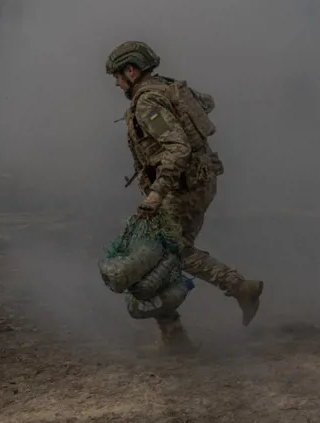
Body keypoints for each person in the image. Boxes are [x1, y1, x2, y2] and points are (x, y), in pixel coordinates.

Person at [105, 40, 264, 353]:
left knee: (167, 251)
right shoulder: (169, 87)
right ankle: (175, 337)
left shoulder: (148, 101)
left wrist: (156, 193)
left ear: (132, 70)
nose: (116, 82)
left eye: (117, 76)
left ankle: (238, 287)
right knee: (158, 260)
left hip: (182, 187)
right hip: (200, 181)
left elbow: (177, 147)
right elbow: (206, 103)